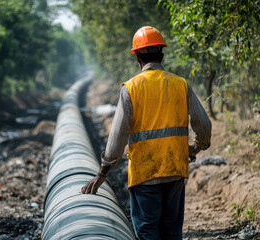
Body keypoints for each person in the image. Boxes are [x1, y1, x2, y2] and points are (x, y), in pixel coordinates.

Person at [81, 26, 212, 240]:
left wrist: (103, 172)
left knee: (148, 231)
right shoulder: (181, 84)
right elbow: (204, 124)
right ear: (162, 53)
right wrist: (196, 147)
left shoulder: (131, 88)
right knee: (171, 232)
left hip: (145, 173)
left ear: (137, 58)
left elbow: (117, 137)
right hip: (175, 168)